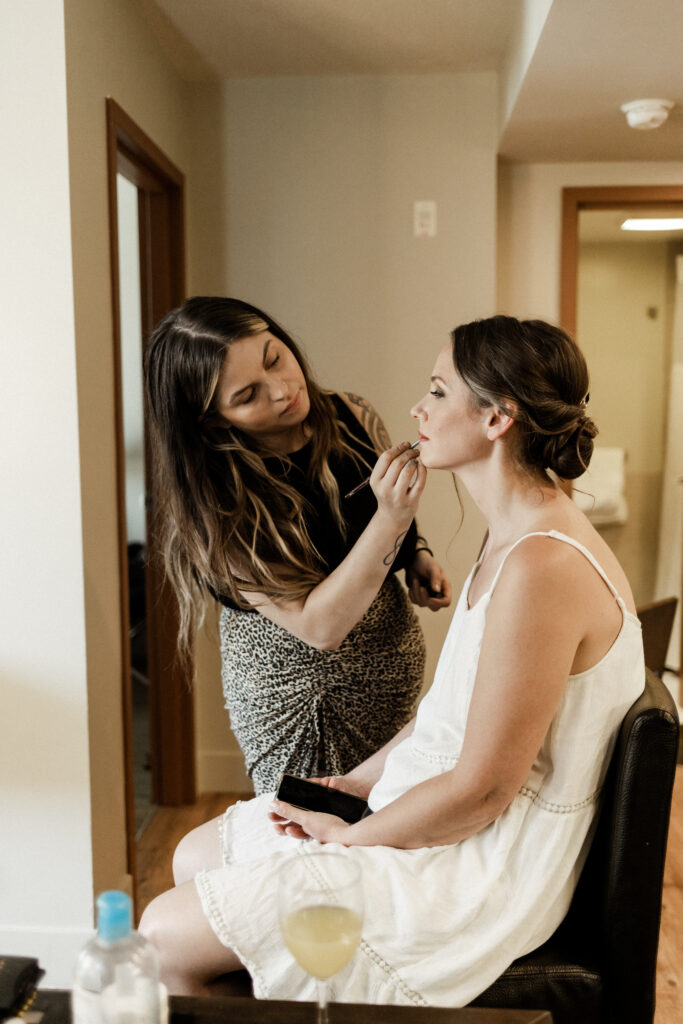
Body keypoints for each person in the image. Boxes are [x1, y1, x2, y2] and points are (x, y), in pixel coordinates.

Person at [139, 315, 645, 1006]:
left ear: (497, 418)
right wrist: (356, 784)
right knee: (191, 856)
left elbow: (483, 792)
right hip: (445, 799)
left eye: (437, 391)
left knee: (162, 934)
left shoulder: (540, 565)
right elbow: (451, 709)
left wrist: (349, 843)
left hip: (487, 863)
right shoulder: (516, 535)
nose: (415, 409)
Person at [144, 296, 451, 794]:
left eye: (275, 358)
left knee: (388, 828)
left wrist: (417, 552)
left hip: (387, 678)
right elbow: (319, 627)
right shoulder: (215, 505)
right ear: (214, 420)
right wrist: (394, 517)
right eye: (248, 395)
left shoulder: (353, 413)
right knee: (306, 835)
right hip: (296, 699)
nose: (284, 389)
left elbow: (369, 518)